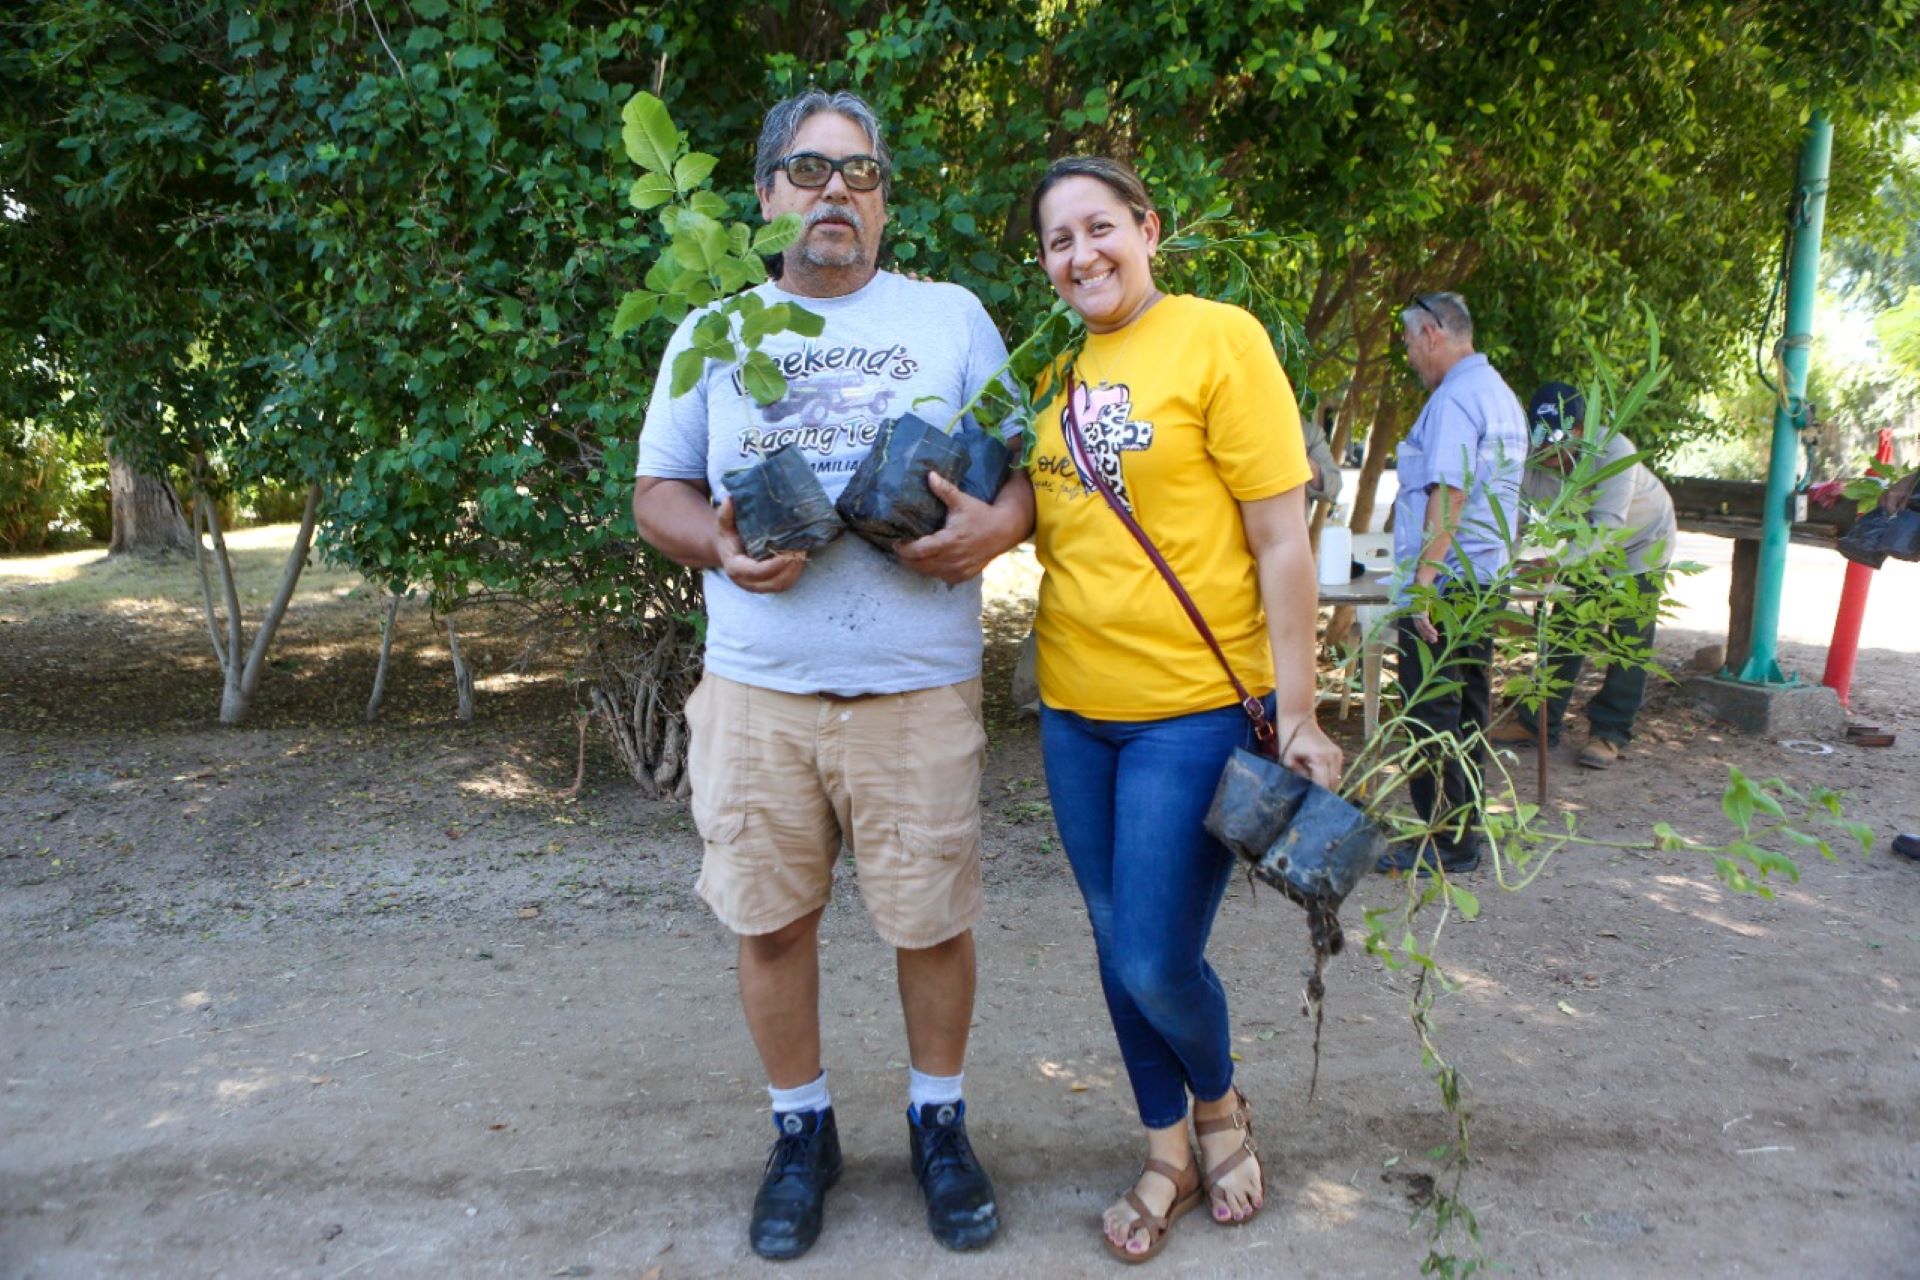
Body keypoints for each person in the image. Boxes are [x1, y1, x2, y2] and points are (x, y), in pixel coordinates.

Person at [631, 89, 1031, 1260]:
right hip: (761, 687)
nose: (834, 193)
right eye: (808, 172)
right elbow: (659, 490)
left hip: (916, 686)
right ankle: (801, 1132)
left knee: (931, 922)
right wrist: (715, 541)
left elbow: (1022, 475)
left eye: (859, 174)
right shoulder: (712, 329)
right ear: (764, 196)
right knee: (768, 922)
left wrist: (993, 533)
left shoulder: (952, 317)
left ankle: (938, 1121)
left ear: (886, 202)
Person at [1024, 156, 1342, 1262]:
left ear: (1148, 228)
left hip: (1194, 708)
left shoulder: (1220, 338)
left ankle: (1219, 1104)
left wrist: (1296, 709)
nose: (1082, 254)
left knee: (1156, 955)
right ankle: (1166, 1146)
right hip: (1073, 710)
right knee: (1117, 943)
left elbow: (1281, 539)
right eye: (1059, 240)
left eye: (1100, 227)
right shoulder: (1054, 366)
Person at [1374, 291, 1528, 877]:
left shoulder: (1457, 400)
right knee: (1466, 711)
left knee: (1429, 713)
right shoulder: (1499, 395)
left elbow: (1451, 493)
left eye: (1411, 342)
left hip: (1449, 586)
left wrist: (1424, 585)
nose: (1410, 356)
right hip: (1482, 581)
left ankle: (1443, 838)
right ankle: (1461, 834)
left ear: (1433, 334)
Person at [1490, 382, 1676, 768]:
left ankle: (1610, 732)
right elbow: (1516, 524)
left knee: (1630, 635)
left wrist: (1556, 564)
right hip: (1585, 546)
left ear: (1579, 429)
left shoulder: (1614, 450)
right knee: (1567, 628)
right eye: (1539, 437)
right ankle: (1538, 723)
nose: (1546, 449)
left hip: (1641, 540)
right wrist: (1503, 567)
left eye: (1556, 437)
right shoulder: (1534, 458)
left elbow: (1607, 529)